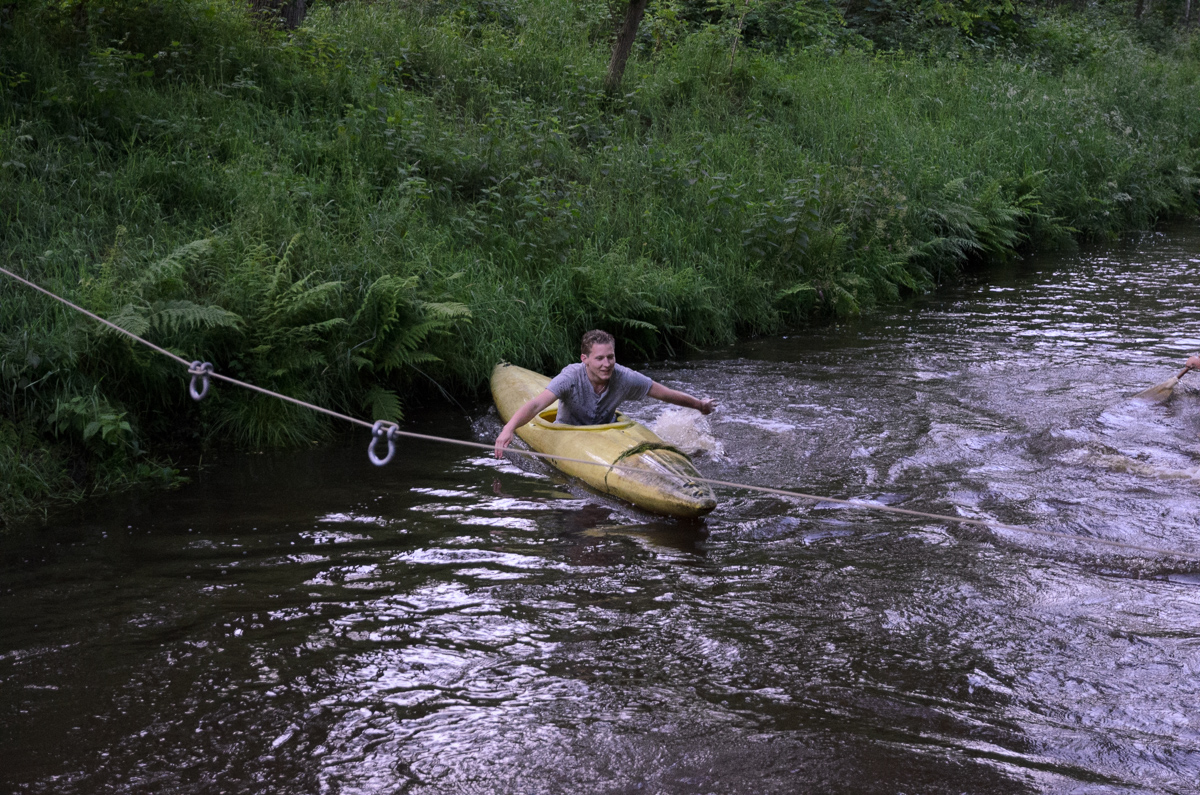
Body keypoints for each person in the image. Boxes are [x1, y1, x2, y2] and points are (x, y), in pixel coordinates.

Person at [494, 329, 716, 458]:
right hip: (569, 434)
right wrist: (508, 429)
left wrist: (699, 405)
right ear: (585, 359)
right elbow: (536, 405)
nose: (607, 364)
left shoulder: (624, 377)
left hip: (608, 437)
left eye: (610, 357)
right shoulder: (570, 377)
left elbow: (664, 394)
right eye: (599, 358)